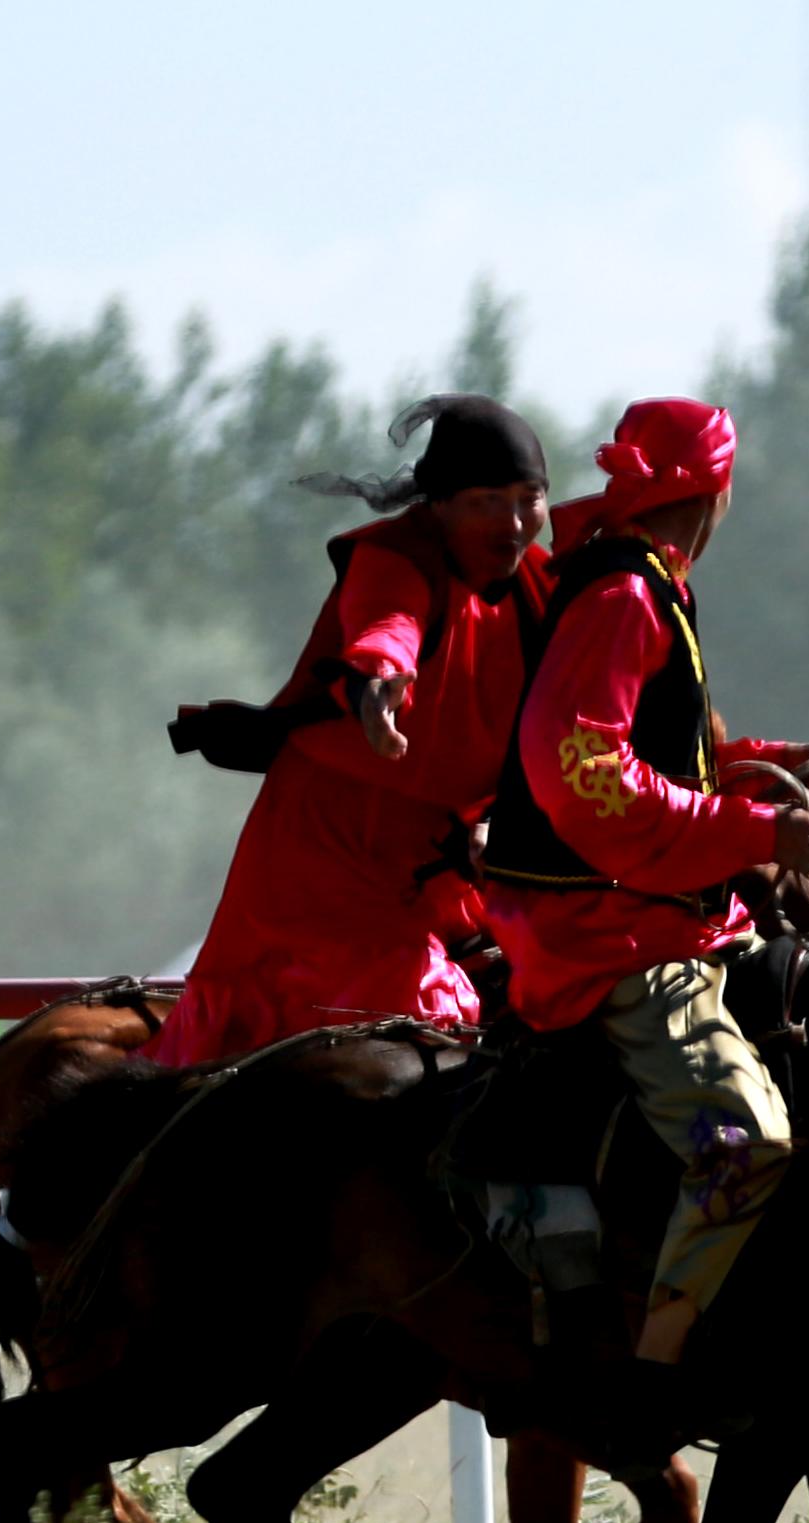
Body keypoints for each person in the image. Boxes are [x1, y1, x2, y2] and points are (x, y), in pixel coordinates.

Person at [480, 398, 809, 1399]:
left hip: (639, 906)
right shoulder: (627, 599)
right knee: (751, 1143)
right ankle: (654, 1381)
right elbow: (586, 774)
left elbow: (664, 759)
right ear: (714, 494)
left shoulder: (647, 587)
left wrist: (777, 768)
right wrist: (759, 834)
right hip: (606, 931)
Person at [144, 396, 553, 1067]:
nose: (512, 523)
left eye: (528, 498)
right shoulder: (398, 555)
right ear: (440, 503)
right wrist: (379, 682)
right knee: (412, 1023)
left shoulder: (542, 588)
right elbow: (386, 625)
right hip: (329, 852)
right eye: (485, 500)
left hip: (442, 871)